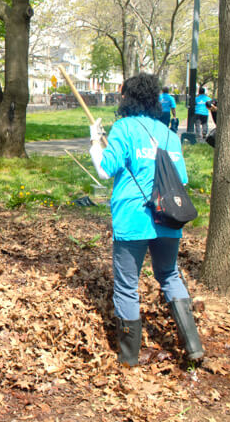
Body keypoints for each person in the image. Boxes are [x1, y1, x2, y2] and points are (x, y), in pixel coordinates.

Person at [88, 73, 204, 366]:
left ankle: (129, 358)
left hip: (133, 219)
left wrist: (94, 140)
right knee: (169, 274)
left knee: (127, 286)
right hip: (168, 218)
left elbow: (105, 169)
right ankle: (193, 345)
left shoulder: (124, 128)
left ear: (128, 98)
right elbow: (182, 181)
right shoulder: (168, 134)